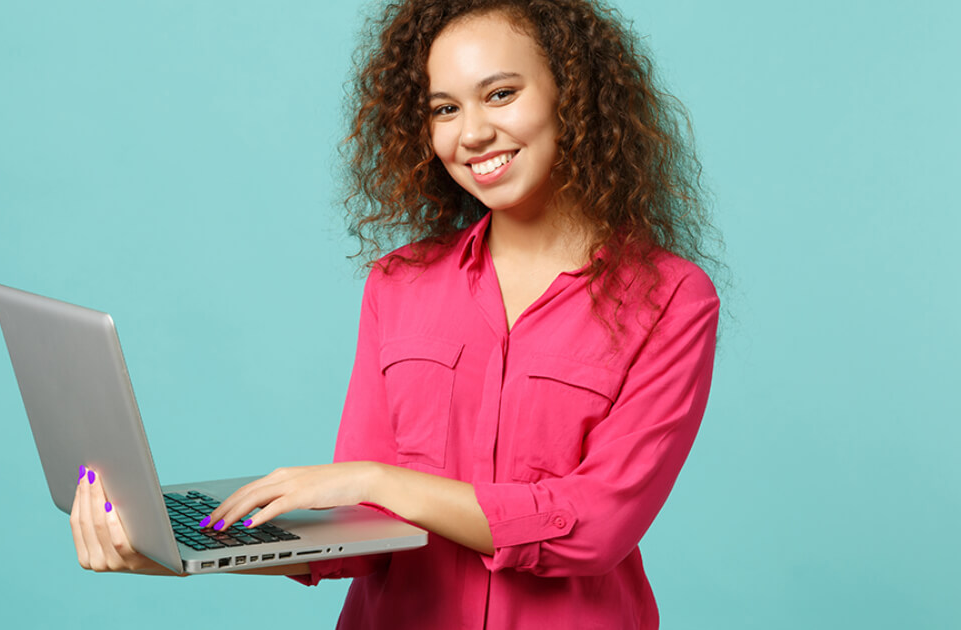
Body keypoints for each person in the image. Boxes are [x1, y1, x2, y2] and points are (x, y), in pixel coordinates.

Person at [69, 0, 722, 627]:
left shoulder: (670, 299)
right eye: (444, 108)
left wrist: (373, 479)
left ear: (570, 93)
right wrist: (177, 553)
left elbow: (593, 526)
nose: (472, 133)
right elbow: (363, 534)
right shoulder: (398, 285)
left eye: (501, 94)